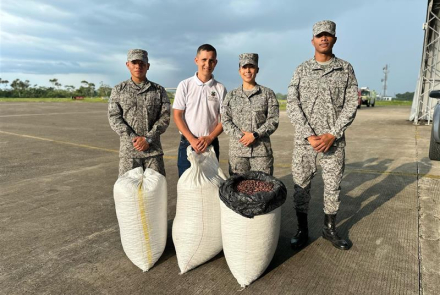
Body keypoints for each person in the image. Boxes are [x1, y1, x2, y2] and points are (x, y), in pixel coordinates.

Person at [287, 20, 358, 250]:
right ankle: (302, 229)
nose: (324, 38)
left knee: (333, 186)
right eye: (319, 35)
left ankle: (330, 229)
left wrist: (333, 134)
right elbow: (292, 104)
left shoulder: (345, 69)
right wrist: (309, 135)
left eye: (328, 35)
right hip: (305, 142)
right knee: (301, 185)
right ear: (313, 40)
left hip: (333, 143)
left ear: (335, 39)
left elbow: (351, 104)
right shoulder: (301, 69)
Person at [108, 49, 170, 177]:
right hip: (129, 153)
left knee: (156, 192)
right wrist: (134, 138)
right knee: (127, 193)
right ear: (128, 65)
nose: (138, 66)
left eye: (142, 63)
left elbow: (165, 117)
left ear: (148, 66)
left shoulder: (158, 90)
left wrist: (148, 138)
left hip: (153, 152)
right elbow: (114, 117)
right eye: (134, 62)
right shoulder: (119, 90)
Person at [173, 44, 227, 177]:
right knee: (187, 184)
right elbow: (178, 115)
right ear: (196, 60)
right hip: (188, 142)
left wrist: (210, 137)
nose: (207, 64)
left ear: (216, 62)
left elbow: (225, 119)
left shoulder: (220, 88)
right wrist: (191, 139)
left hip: (210, 143)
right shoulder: (185, 85)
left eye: (211, 60)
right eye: (204, 59)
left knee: (211, 184)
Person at [221, 53, 279, 175]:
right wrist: (242, 136)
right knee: (238, 190)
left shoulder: (267, 94)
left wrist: (255, 135)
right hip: (238, 154)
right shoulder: (231, 96)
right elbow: (225, 121)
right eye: (244, 67)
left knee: (263, 189)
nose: (248, 70)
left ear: (257, 70)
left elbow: (273, 120)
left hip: (261, 153)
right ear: (239, 70)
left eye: (251, 67)